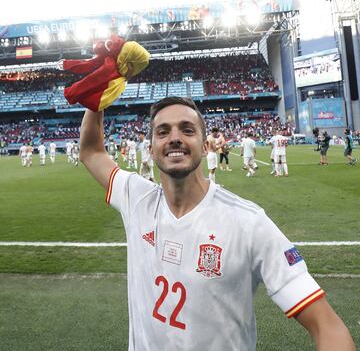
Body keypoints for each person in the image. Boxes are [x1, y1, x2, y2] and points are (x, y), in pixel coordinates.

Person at [79, 97, 355, 351]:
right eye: (163, 132)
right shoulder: (137, 198)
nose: (174, 138)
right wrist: (96, 102)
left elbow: (327, 326)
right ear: (151, 150)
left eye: (187, 130)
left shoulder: (248, 222)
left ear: (205, 145)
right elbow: (91, 152)